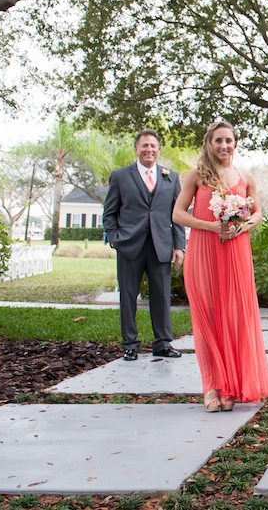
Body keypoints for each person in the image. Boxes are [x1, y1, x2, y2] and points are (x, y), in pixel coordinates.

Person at [172, 121, 268, 412]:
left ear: (236, 143)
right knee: (207, 321)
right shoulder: (197, 175)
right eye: (218, 140)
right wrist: (209, 226)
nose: (223, 146)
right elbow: (178, 214)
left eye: (228, 140)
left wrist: (242, 228)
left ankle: (230, 386)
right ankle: (211, 388)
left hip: (235, 253)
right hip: (203, 253)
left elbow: (257, 214)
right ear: (209, 143)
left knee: (233, 318)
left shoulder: (245, 177)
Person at [102, 130, 186, 362]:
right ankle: (130, 344)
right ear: (136, 149)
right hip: (130, 245)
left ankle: (162, 343)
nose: (149, 149)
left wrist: (179, 246)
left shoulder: (171, 177)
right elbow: (109, 213)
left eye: (153, 146)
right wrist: (115, 238)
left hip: (160, 246)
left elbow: (177, 214)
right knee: (128, 296)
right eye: (144, 145)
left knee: (161, 296)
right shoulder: (120, 176)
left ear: (159, 149)